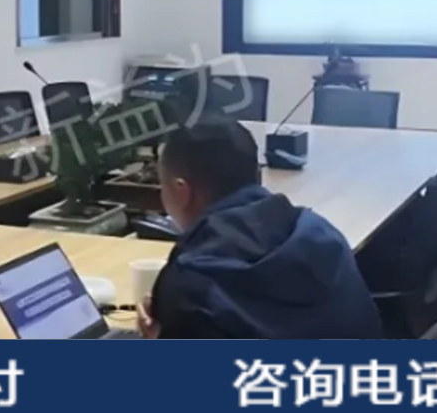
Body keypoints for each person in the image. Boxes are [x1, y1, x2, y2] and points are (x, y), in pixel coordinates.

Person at [139, 118, 383, 339]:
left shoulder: (189, 283)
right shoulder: (323, 234)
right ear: (257, 174)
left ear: (181, 190)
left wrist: (158, 336)